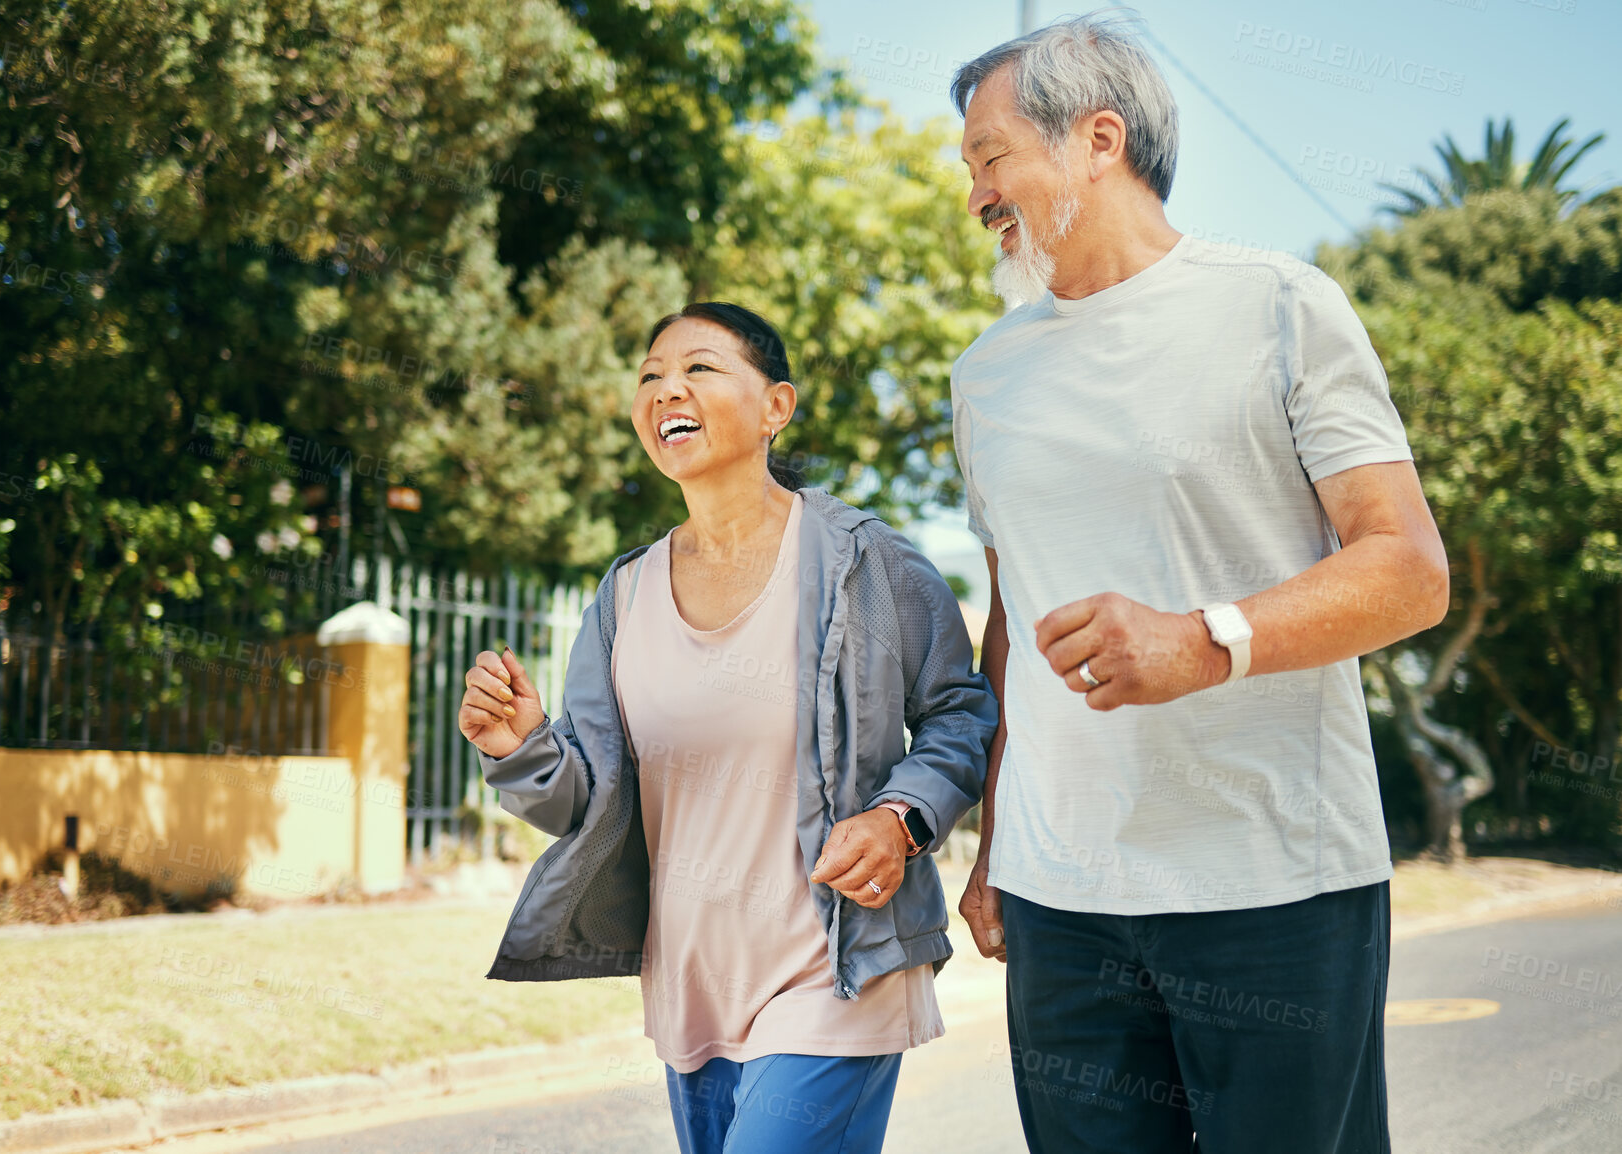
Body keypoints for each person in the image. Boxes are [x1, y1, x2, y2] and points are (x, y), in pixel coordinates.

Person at [945, 15, 1449, 1154]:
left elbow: (1407, 569)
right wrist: (990, 849)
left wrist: (1204, 638)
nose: (973, 192)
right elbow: (1009, 624)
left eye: (988, 157)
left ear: (1097, 139)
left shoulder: (1278, 305)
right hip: (1059, 900)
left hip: (1271, 883)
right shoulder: (983, 376)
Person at [458, 301, 997, 1154]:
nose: (667, 388)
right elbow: (588, 798)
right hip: (691, 985)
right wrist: (518, 745)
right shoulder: (625, 594)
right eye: (649, 376)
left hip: (833, 970)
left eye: (700, 368)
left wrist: (900, 819)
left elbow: (960, 710)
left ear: (775, 407)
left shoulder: (867, 564)